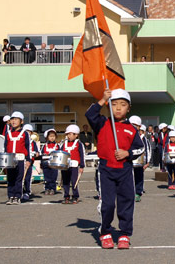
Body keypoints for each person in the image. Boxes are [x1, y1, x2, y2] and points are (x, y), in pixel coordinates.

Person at [85, 88, 145, 249]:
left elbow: (140, 148)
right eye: (114, 104)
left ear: (129, 108)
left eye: (123, 104)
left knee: (126, 202)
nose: (118, 108)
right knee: (108, 204)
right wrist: (103, 99)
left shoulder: (132, 129)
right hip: (106, 169)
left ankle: (124, 234)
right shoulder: (102, 123)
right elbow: (90, 115)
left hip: (125, 170)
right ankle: (105, 232)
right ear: (108, 106)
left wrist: (128, 153)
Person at [3, 111, 31, 205]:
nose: (13, 121)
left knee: (19, 178)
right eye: (12, 119)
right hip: (10, 159)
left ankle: (17, 196)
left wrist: (28, 159)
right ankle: (10, 196)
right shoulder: (8, 133)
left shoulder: (25, 133)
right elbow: (5, 147)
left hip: (20, 159)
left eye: (16, 119)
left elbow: (28, 147)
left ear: (21, 121)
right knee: (10, 178)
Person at [60, 124, 85, 204]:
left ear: (76, 135)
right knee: (65, 181)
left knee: (74, 181)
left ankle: (75, 196)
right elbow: (61, 153)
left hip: (74, 166)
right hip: (65, 165)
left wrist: (82, 166)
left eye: (70, 134)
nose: (68, 136)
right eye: (67, 134)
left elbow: (82, 155)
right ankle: (66, 196)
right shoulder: (64, 143)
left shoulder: (79, 144)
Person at [40, 129, 60, 195]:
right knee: (46, 177)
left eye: (53, 136)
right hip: (46, 163)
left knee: (53, 177)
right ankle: (47, 188)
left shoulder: (57, 146)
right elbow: (41, 154)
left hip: (54, 164)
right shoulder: (44, 146)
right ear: (47, 137)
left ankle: (52, 188)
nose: (52, 138)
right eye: (50, 136)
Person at [134, 124, 150, 202]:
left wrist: (147, 162)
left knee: (139, 176)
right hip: (130, 160)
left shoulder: (144, 139)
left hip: (140, 161)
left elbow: (147, 150)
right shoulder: (130, 135)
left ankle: (138, 192)